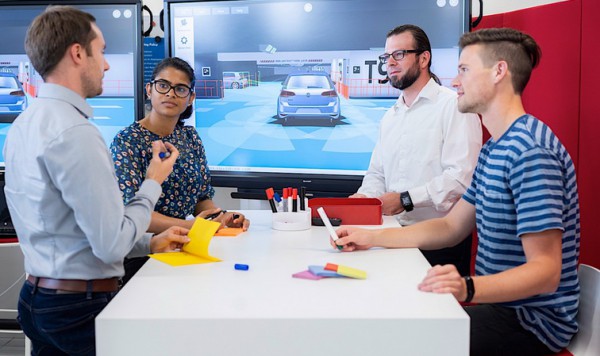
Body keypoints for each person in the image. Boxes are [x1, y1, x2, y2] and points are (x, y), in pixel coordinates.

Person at [335, 28, 580, 355]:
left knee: (398, 342)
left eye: (463, 70)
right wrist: (368, 236)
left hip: (530, 321)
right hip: (498, 307)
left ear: (498, 72)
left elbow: (546, 273)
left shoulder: (530, 151)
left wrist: (465, 286)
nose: (453, 81)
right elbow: (451, 227)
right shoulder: (495, 148)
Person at [3, 6, 191, 355]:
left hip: (37, 299)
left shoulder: (24, 124)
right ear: (78, 53)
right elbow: (110, 244)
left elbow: (78, 234)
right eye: (101, 51)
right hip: (79, 309)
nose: (105, 64)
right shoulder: (76, 132)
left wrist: (149, 244)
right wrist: (153, 182)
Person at [351, 24, 482, 276]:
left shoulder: (454, 106)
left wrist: (404, 200)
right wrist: (364, 201)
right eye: (386, 56)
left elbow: (461, 179)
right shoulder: (390, 116)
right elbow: (377, 174)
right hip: (391, 236)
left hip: (438, 244)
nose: (390, 62)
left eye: (399, 54)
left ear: (424, 58)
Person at [110, 57, 250, 282]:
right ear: (149, 89)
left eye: (180, 89)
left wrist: (222, 217)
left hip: (182, 246)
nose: (170, 93)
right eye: (163, 85)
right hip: (142, 253)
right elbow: (132, 212)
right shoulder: (127, 141)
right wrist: (189, 226)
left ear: (191, 98)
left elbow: (201, 198)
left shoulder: (190, 137)